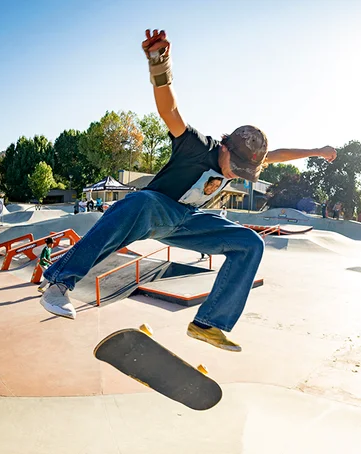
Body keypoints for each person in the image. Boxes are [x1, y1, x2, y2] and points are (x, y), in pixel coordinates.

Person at [39, 28, 337, 352]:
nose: (232, 174)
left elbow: (277, 155)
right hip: (156, 209)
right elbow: (169, 112)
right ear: (224, 146)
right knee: (140, 201)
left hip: (188, 223)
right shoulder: (196, 145)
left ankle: (208, 323)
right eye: (232, 167)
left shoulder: (245, 161)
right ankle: (59, 282)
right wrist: (159, 64)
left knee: (250, 243)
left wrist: (315, 151)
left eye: (241, 173)